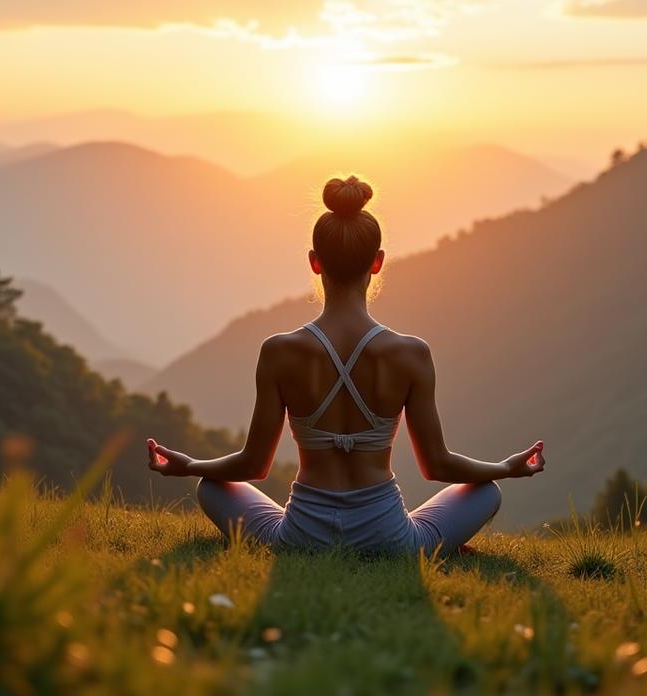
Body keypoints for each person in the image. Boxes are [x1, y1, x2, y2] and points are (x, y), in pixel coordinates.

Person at [146, 175, 545, 554]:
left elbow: (253, 465)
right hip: (390, 539)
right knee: (488, 490)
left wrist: (189, 465)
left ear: (314, 262)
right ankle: (437, 546)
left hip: (300, 536)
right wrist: (506, 467)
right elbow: (437, 465)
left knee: (209, 486)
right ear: (378, 262)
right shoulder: (411, 353)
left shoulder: (279, 351)